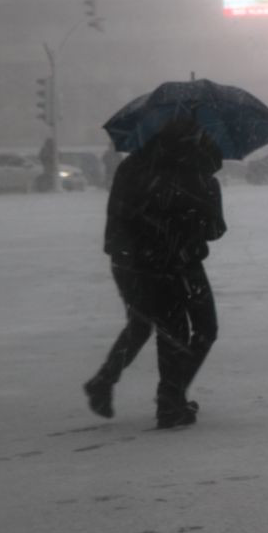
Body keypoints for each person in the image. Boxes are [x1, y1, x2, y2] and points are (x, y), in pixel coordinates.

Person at [83, 116, 226, 428]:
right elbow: (213, 229)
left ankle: (113, 383)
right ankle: (170, 399)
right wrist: (205, 193)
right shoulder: (191, 172)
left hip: (131, 260)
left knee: (145, 325)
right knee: (192, 330)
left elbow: (122, 215)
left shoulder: (136, 165)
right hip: (173, 262)